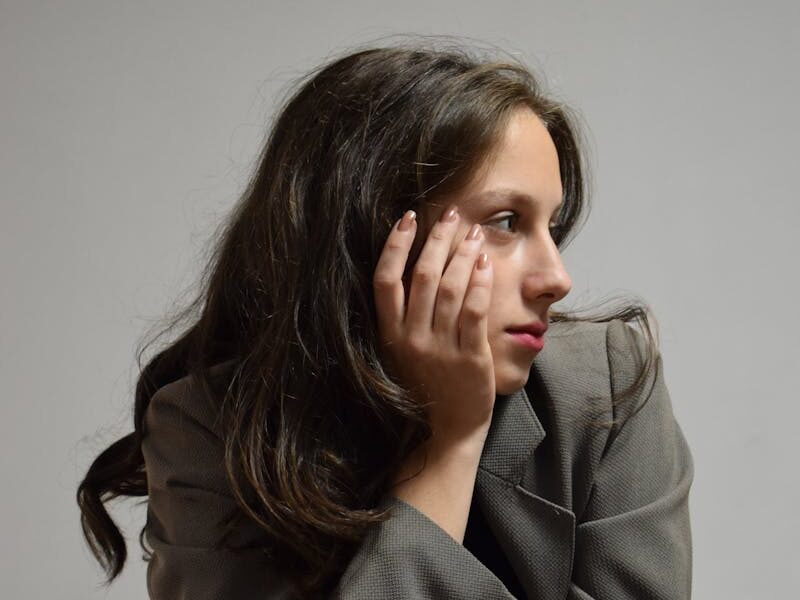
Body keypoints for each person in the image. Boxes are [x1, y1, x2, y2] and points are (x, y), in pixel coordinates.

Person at [77, 37, 694, 599]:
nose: (557, 278)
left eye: (550, 227)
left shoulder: (606, 388)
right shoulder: (205, 431)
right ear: (375, 233)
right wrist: (447, 448)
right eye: (506, 221)